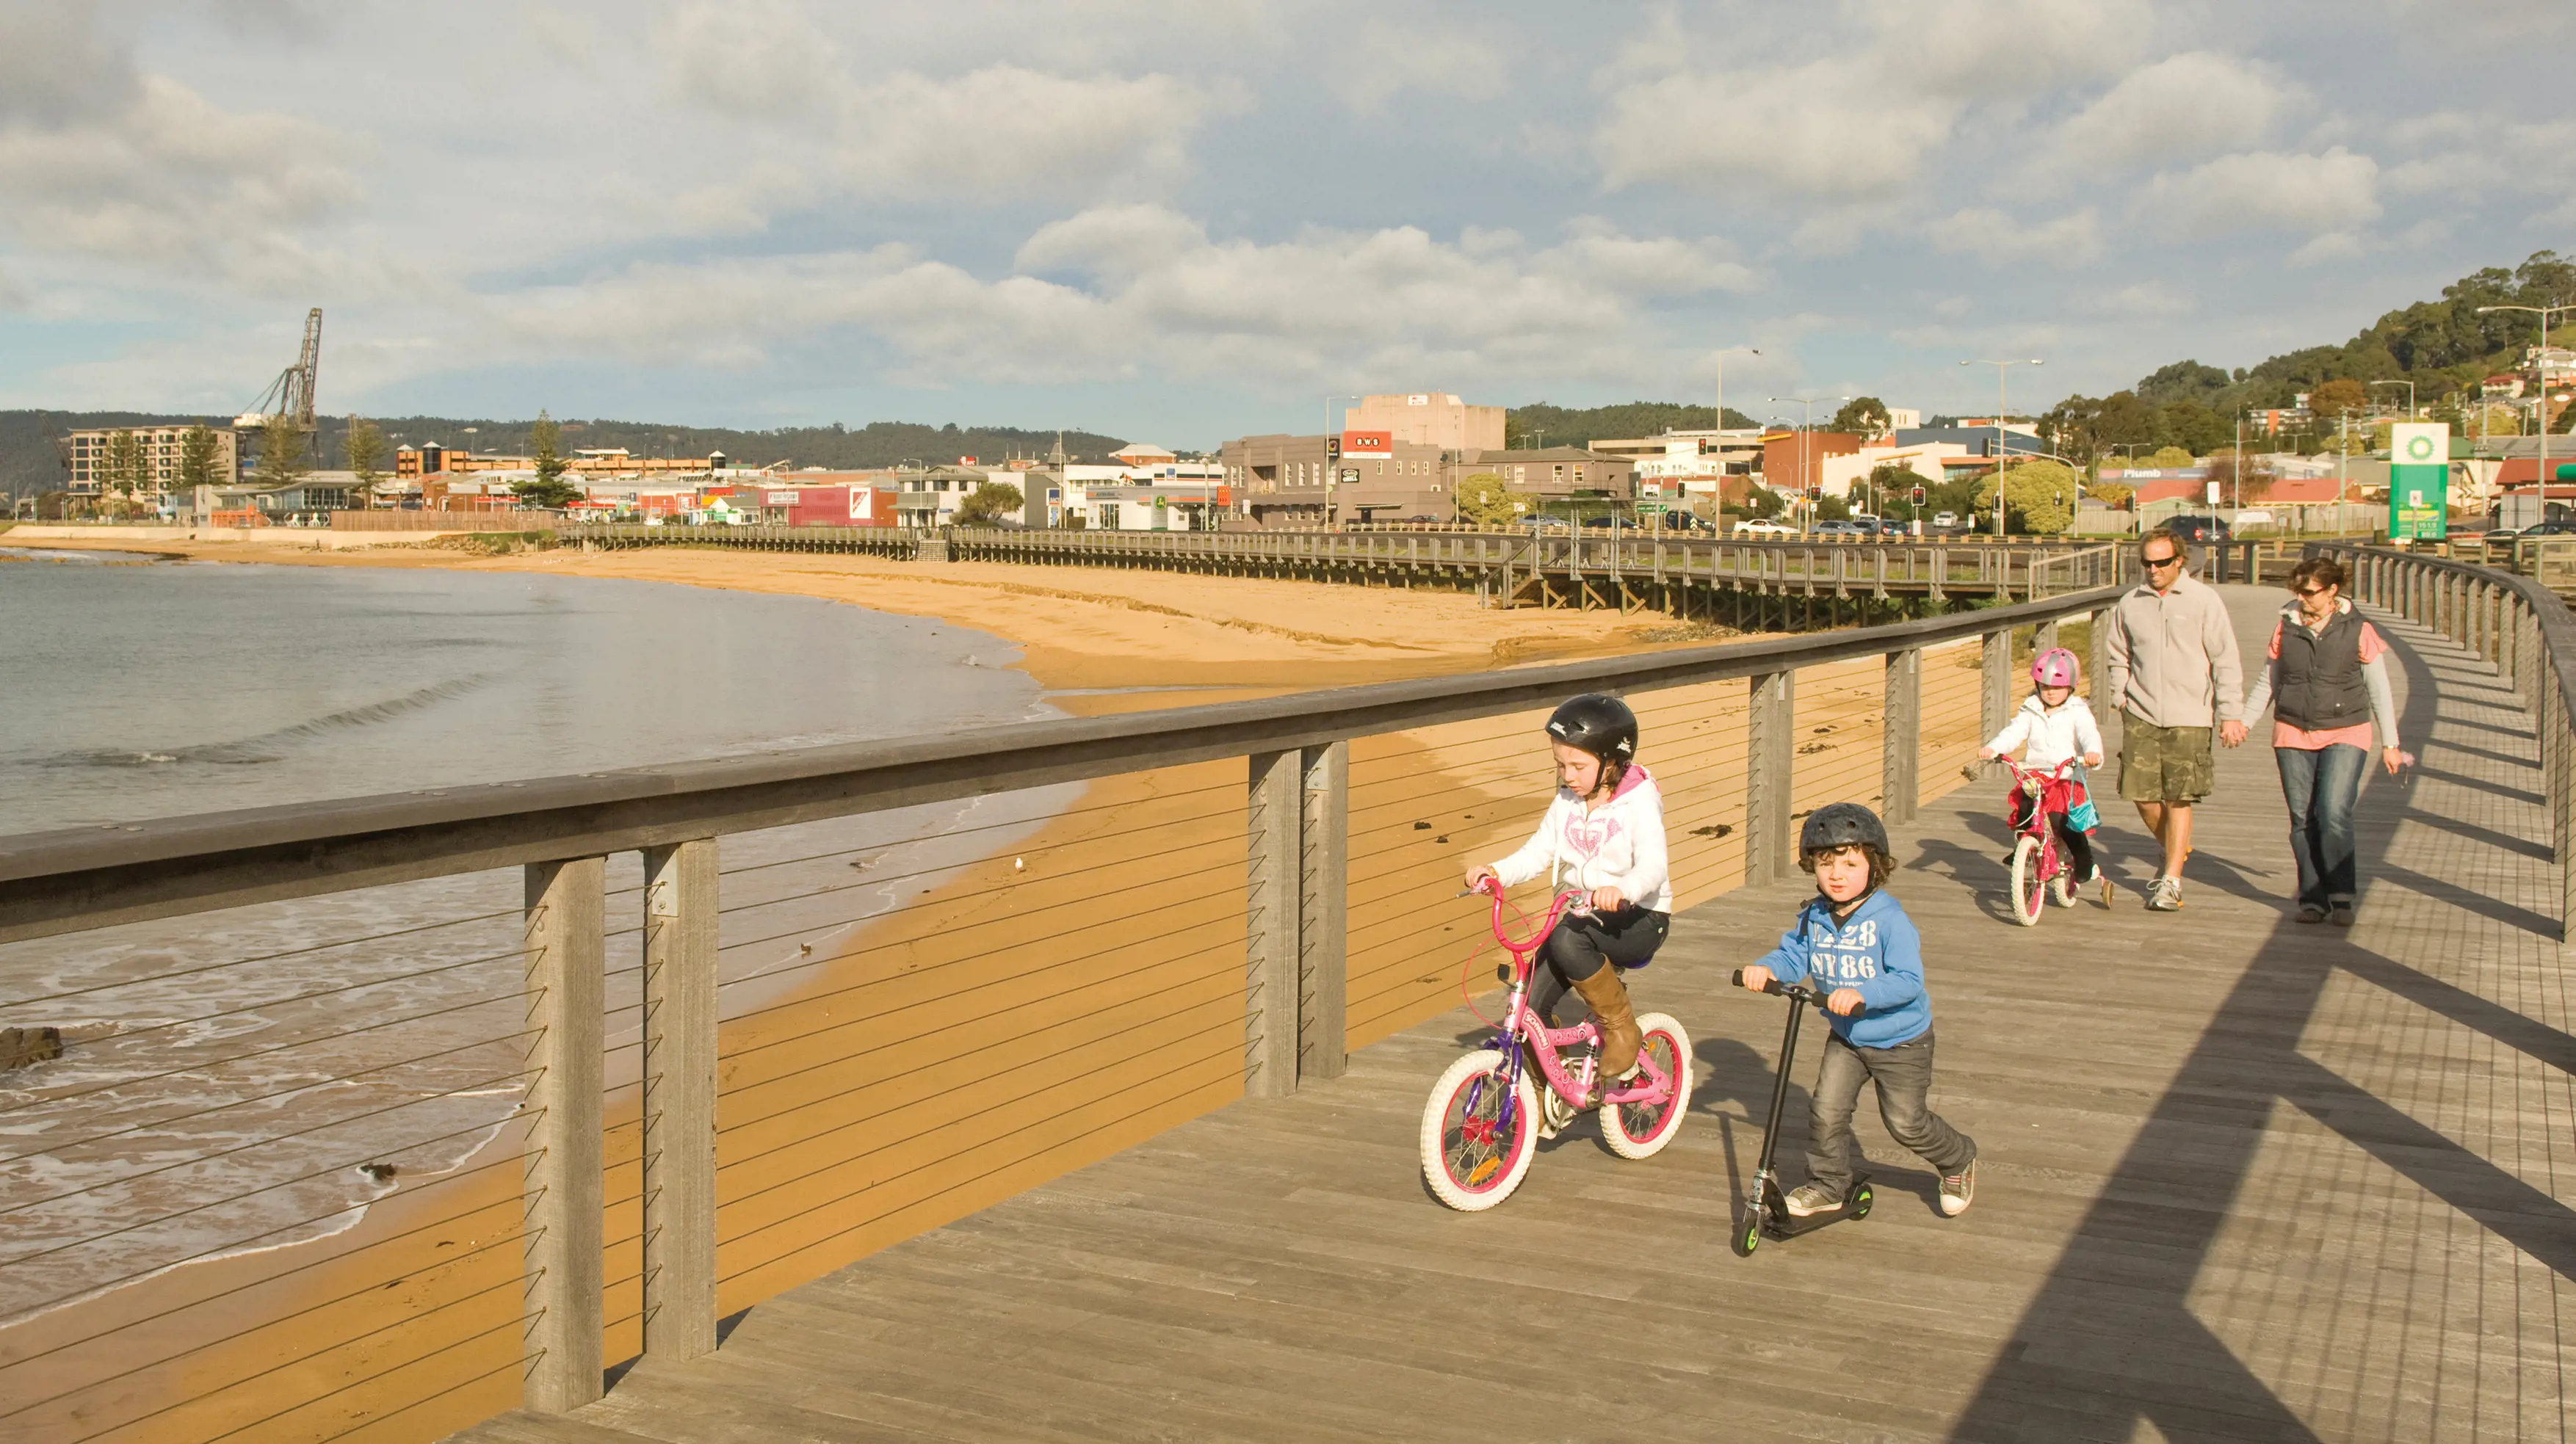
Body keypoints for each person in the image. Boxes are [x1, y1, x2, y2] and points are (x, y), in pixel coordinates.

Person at [1737, 804, 1978, 1218]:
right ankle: (1829, 1183)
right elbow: (1795, 956)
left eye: (1850, 864)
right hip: (1847, 1038)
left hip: (1901, 1041)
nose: (1837, 875)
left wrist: (1862, 992)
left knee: (1906, 1123)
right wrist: (1766, 969)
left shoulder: (1890, 920)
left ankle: (1957, 1158)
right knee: (1826, 1111)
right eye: (1825, 864)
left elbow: (1907, 979)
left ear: (1875, 865)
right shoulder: (1815, 916)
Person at [1464, 693, 1671, 1097]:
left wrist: (1621, 889)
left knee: (1564, 937)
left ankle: (1620, 1027)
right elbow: (1538, 851)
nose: (1568, 775)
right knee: (1529, 1006)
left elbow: (1653, 867)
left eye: (1578, 766)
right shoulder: (1567, 800)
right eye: (1561, 765)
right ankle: (1538, 1099)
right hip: (1582, 914)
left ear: (1612, 763)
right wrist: (1497, 872)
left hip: (1639, 917)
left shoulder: (1639, 804)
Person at [2224, 557, 2403, 926]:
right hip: (2292, 731)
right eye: (2298, 591)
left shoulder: (2358, 629)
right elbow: (2269, 681)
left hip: (2346, 729)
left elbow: (2380, 689)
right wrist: (2245, 721)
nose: (2301, 598)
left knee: (2334, 812)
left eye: (2309, 592)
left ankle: (2341, 896)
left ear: (2332, 591)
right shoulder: (2285, 627)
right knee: (2302, 818)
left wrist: (2391, 742)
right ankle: (2313, 898)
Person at [2105, 527, 2243, 911]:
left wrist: (2230, 713)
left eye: (2162, 563)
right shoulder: (2130, 603)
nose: (2153, 570)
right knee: (2144, 798)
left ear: (2179, 561)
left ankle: (2170, 881)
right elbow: (2118, 654)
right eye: (2147, 563)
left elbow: (2226, 660)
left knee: (2179, 798)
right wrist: (2121, 696)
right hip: (2141, 714)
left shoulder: (2204, 601)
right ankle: (2176, 849)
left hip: (2191, 715)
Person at [1979, 646, 2111, 901]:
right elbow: (2014, 732)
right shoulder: (2030, 709)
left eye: (2057, 687)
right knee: (2026, 808)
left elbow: (2088, 735)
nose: (2050, 692)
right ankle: (2025, 847)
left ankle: (2084, 862)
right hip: (2036, 774)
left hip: (2066, 777)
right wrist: (1994, 748)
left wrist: (2093, 753)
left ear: (2071, 686)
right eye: (2044, 686)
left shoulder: (2077, 711)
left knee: (2064, 822)